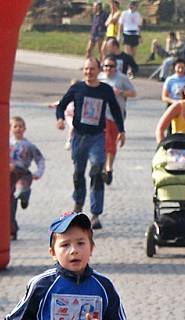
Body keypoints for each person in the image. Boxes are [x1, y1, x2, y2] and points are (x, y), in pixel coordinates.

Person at [55, 58, 126, 230]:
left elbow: (116, 110)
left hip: (97, 137)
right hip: (79, 137)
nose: (89, 72)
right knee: (79, 173)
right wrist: (60, 119)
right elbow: (62, 105)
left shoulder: (105, 90)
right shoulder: (77, 88)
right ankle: (78, 205)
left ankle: (95, 214)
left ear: (98, 70)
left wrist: (121, 131)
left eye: (92, 69)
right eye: (86, 69)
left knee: (96, 171)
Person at [97, 56, 135, 187]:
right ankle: (104, 167)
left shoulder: (122, 78)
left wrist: (121, 92)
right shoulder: (100, 77)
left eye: (111, 66)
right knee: (104, 141)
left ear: (116, 67)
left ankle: (109, 167)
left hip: (116, 114)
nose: (108, 69)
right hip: (102, 114)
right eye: (106, 66)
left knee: (112, 141)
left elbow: (133, 93)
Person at [9, 116, 45, 240]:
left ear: (24, 129)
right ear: (10, 129)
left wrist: (38, 173)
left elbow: (40, 159)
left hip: (23, 173)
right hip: (8, 175)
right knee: (10, 203)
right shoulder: (6, 143)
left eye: (20, 126)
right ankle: (11, 229)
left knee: (21, 190)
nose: (18, 129)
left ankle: (24, 197)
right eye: (15, 126)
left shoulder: (28, 145)